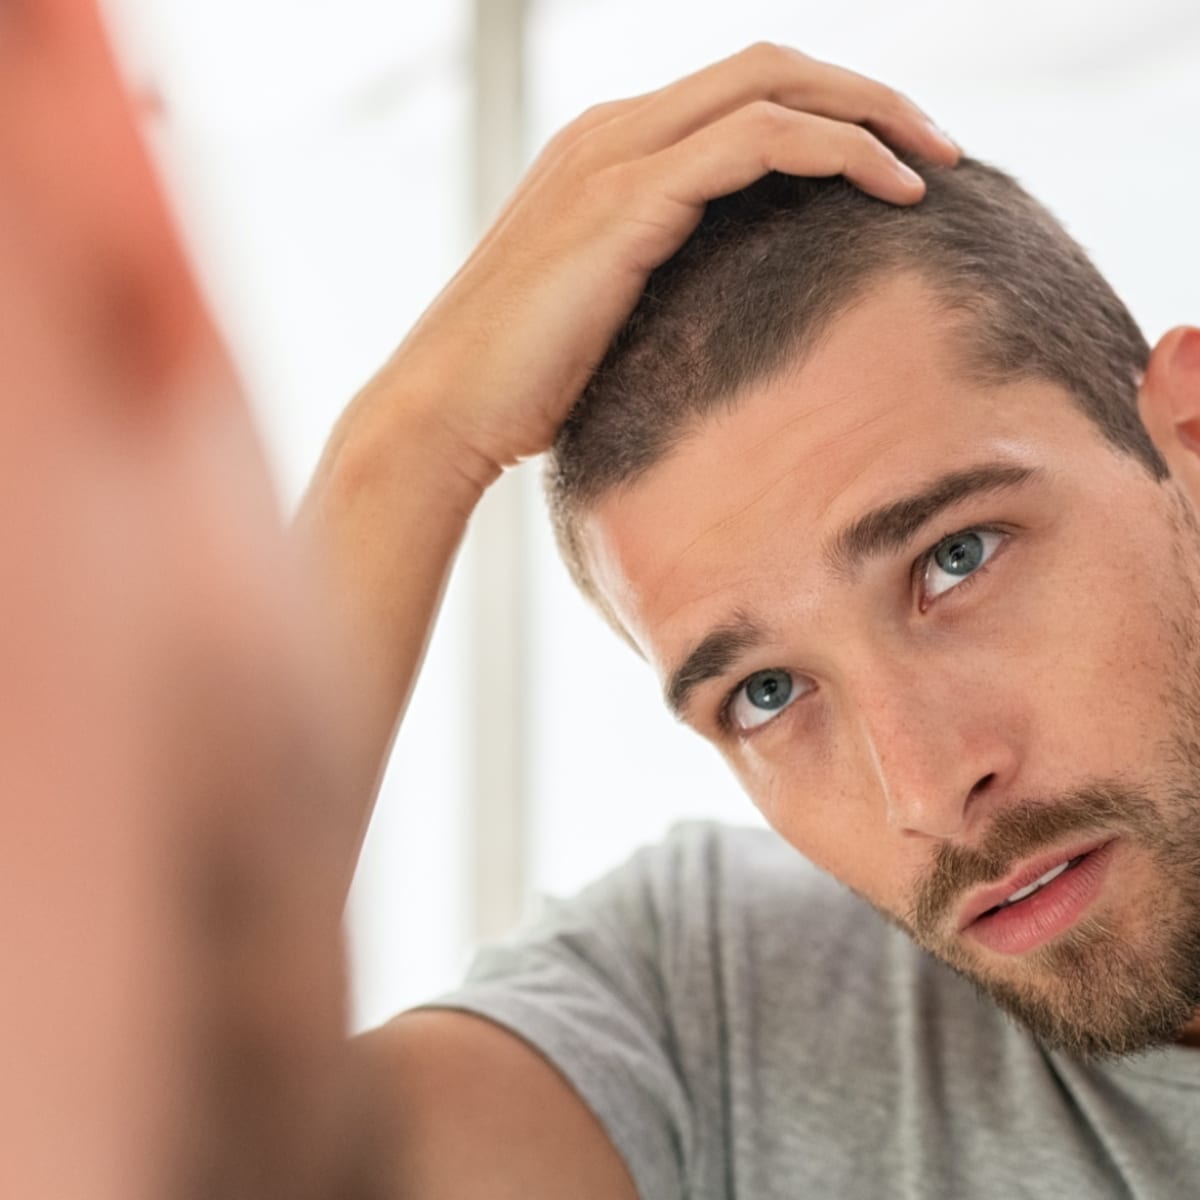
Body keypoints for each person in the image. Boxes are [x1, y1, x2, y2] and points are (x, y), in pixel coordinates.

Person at [6, 0, 1198, 1195]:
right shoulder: (710, 1020)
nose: (930, 790)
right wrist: (409, 441)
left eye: (956, 558)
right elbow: (113, 1145)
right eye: (767, 693)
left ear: (1184, 439)